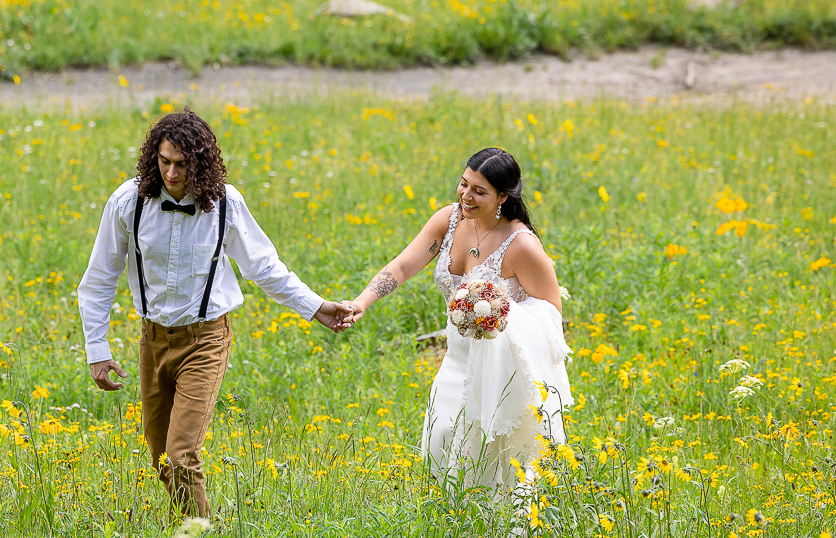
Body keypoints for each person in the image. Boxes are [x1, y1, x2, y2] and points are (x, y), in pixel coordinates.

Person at [78, 108, 352, 516]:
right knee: (161, 460)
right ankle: (188, 531)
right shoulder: (128, 202)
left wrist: (316, 308)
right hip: (152, 340)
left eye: (182, 165)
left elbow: (263, 267)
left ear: (200, 163)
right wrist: (97, 349)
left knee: (181, 455)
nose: (172, 174)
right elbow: (100, 276)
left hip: (204, 340)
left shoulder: (225, 204)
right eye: (165, 162)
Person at [340, 148, 573, 491]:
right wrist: (362, 302)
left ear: (502, 197)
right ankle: (455, 529)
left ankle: (500, 531)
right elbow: (404, 265)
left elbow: (551, 314)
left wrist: (497, 313)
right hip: (455, 359)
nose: (466, 195)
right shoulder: (448, 220)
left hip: (498, 365)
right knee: (441, 440)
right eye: (464, 184)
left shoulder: (521, 245)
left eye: (479, 191)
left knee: (488, 457)